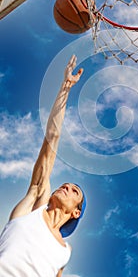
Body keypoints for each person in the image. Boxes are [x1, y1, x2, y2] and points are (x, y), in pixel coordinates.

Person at [0, 55, 86, 277]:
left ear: (76, 212)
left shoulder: (65, 252)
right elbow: (52, 138)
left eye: (73, 190)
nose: (66, 187)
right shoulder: (33, 207)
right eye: (66, 185)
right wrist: (65, 89)